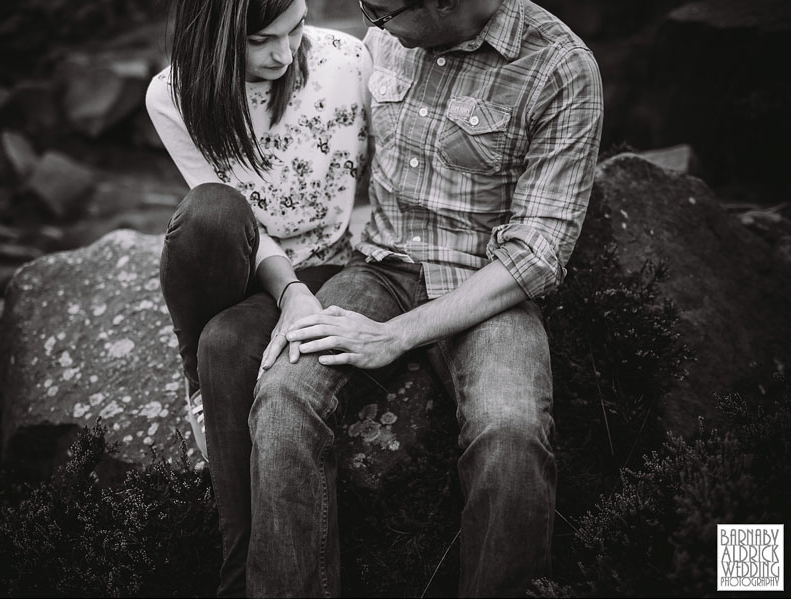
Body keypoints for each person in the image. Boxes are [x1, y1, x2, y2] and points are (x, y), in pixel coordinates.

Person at [249, 0, 604, 597]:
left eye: (379, 10)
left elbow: (541, 253)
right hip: (380, 266)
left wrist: (395, 336)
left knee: (510, 429)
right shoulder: (391, 31)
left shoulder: (559, 67)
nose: (372, 22)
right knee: (283, 395)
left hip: (488, 287)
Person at [146, 0, 371, 596]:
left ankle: (239, 579)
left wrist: (312, 288)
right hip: (240, 264)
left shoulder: (348, 59)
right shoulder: (173, 95)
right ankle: (197, 378)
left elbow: (390, 168)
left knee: (227, 343)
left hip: (326, 262)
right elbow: (237, 218)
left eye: (295, 29)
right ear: (214, 37)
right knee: (211, 212)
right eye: (261, 40)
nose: (285, 52)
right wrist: (286, 289)